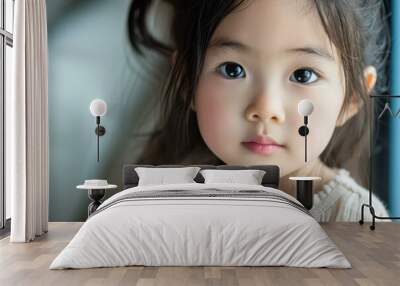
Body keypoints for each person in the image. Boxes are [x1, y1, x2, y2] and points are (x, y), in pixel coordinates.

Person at [128, 0, 391, 222]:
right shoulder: (170, 203)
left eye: (303, 75)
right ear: (188, 81)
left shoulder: (353, 216)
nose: (266, 108)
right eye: (233, 70)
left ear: (351, 98)